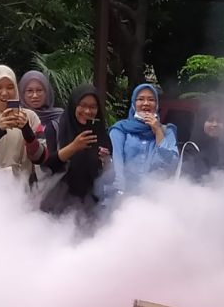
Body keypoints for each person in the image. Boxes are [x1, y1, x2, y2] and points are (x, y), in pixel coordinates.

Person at [41, 84, 112, 218]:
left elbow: (107, 177)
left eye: (93, 107)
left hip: (90, 209)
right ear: (74, 105)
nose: (87, 111)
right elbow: (46, 165)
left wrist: (106, 161)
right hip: (56, 207)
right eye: (83, 105)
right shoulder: (55, 129)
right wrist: (74, 147)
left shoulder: (101, 133)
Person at [108, 83, 178, 194]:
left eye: (151, 99)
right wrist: (119, 193)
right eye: (140, 99)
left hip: (157, 197)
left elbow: (171, 164)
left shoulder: (167, 131)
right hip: (126, 196)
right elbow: (117, 164)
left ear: (157, 104)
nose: (146, 103)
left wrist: (158, 131)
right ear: (133, 103)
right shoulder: (120, 129)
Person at [20, 70, 63, 150]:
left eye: (39, 90)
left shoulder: (60, 116)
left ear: (47, 92)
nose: (35, 95)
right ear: (22, 93)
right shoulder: (17, 118)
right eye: (29, 91)